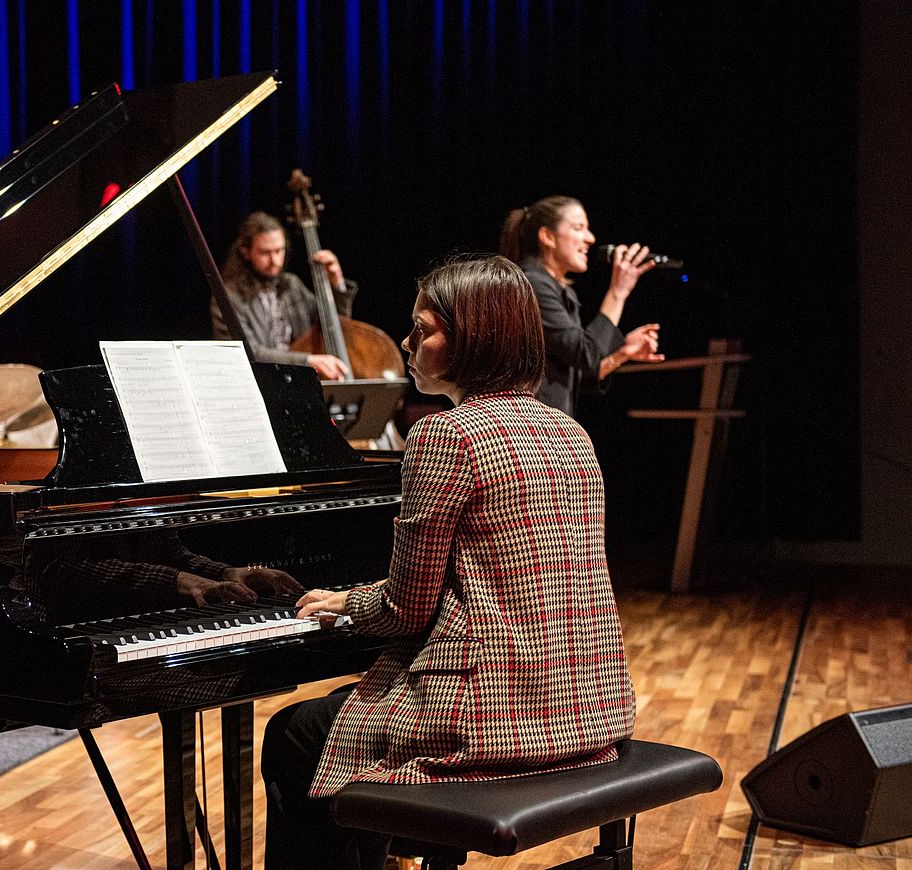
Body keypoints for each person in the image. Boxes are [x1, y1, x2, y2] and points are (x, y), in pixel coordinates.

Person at [260, 256, 637, 870]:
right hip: (588, 713)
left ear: (473, 339)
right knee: (328, 727)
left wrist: (347, 602)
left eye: (422, 329)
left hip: (485, 718)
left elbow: (406, 609)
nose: (406, 343)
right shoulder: (569, 432)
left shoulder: (446, 436)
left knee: (293, 733)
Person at [499, 196, 664, 416]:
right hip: (526, 425)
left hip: (547, 425)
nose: (590, 239)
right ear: (547, 237)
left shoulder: (560, 291)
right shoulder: (533, 285)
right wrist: (618, 292)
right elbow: (586, 354)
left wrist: (622, 354)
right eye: (578, 228)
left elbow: (570, 377)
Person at [211, 211, 357, 380]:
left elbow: (333, 326)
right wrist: (307, 361)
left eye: (279, 251)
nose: (274, 260)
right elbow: (249, 352)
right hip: (263, 382)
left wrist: (337, 283)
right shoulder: (229, 297)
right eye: (265, 252)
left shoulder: (292, 285)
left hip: (300, 381)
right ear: (246, 252)